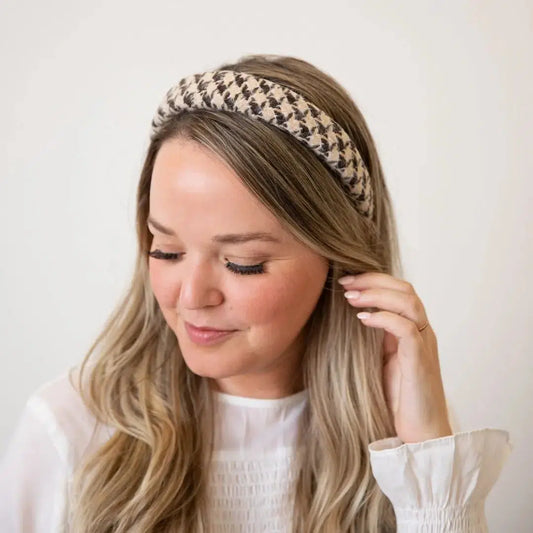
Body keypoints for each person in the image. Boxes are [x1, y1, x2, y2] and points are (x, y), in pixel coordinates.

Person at [0, 54, 512, 532]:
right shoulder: (71, 432)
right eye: (167, 251)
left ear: (338, 258)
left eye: (242, 264)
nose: (191, 296)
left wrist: (429, 459)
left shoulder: (408, 446)